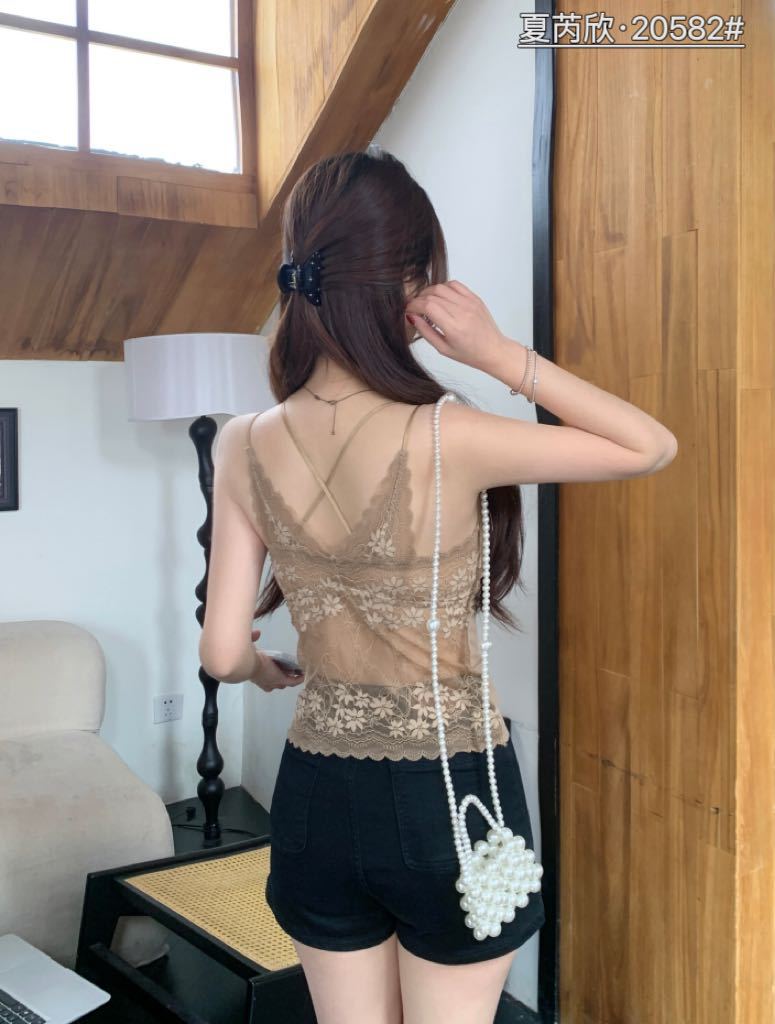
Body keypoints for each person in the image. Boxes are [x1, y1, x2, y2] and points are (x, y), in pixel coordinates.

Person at [199, 149, 678, 1024]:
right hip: (451, 796)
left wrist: (267, 673)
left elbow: (224, 652)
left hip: (314, 796)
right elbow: (647, 446)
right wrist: (499, 354)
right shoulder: (449, 434)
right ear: (411, 283)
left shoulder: (240, 440)